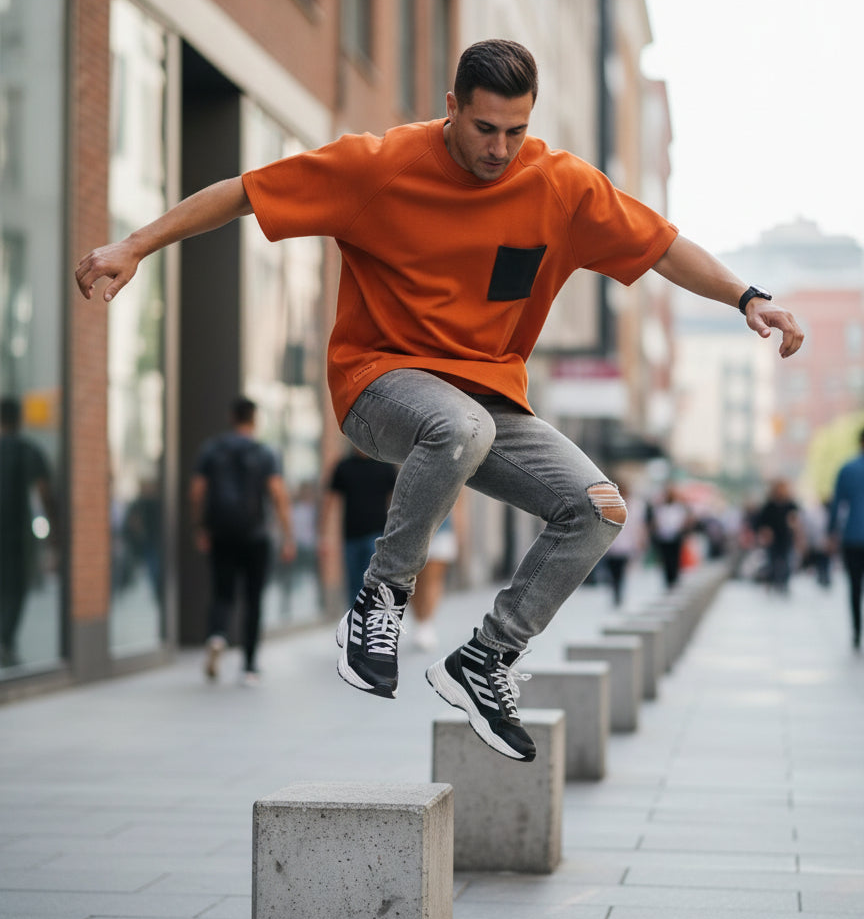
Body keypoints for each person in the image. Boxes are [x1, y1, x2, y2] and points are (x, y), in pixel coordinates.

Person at [75, 38, 804, 761]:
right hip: (377, 382)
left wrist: (747, 295)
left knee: (599, 505)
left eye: (516, 132)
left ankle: (486, 659)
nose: (499, 149)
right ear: (452, 108)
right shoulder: (378, 165)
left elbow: (663, 245)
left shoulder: (560, 185)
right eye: (484, 129)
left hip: (490, 402)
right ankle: (379, 603)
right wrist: (135, 245)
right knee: (459, 425)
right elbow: (245, 191)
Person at [190, 397, 295, 683]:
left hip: (221, 532)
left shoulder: (212, 449)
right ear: (254, 420)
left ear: (231, 417)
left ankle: (217, 635)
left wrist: (201, 526)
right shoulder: (264, 453)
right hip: (256, 535)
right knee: (253, 599)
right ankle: (249, 666)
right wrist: (288, 536)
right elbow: (278, 494)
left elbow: (198, 490)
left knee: (222, 592)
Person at [0, 397, 55, 667]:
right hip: (16, 536)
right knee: (14, 590)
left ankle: (5, 643)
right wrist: (51, 529)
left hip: (13, 536)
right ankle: (5, 640)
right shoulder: (27, 450)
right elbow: (44, 491)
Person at [321, 449, 398, 604]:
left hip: (377, 537)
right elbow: (330, 501)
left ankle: (371, 622)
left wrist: (396, 535)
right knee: (354, 586)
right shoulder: (343, 466)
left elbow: (396, 502)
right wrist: (324, 536)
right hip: (351, 537)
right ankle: (355, 624)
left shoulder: (385, 466)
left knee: (374, 584)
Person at [410, 498, 465, 651]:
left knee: (433, 579)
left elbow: (459, 502)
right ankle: (419, 621)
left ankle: (426, 623)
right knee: (414, 580)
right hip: (413, 528)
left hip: (443, 529)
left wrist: (459, 533)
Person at [829, 427, 864, 649]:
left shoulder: (848, 469)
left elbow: (836, 505)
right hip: (853, 535)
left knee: (854, 587)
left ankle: (856, 632)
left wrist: (831, 532)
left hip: (853, 536)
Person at [754, 479, 800, 595]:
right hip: (772, 539)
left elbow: (796, 520)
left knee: (786, 561)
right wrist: (765, 531)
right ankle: (772, 582)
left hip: (785, 537)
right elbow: (760, 522)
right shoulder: (769, 506)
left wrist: (794, 526)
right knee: (772, 562)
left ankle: (783, 583)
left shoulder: (790, 504)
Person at [648, 485, 692, 590]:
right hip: (663, 537)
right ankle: (668, 581)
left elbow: (684, 521)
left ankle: (674, 579)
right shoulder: (660, 508)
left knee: (675, 559)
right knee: (665, 560)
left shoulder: (678, 507)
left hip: (675, 537)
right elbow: (656, 522)